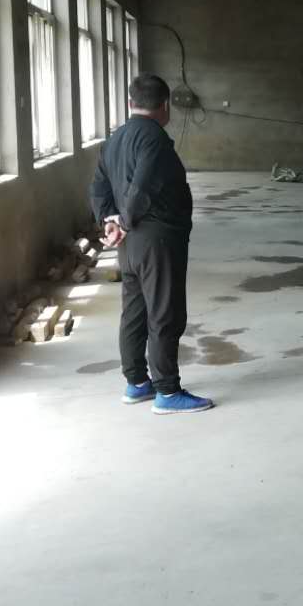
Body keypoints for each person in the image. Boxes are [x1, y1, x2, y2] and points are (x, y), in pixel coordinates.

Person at [89, 73, 213, 415]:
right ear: (165, 105)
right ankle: (168, 392)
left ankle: (136, 383)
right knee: (164, 313)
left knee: (135, 311)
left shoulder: (114, 139)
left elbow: (98, 187)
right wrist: (125, 222)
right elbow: (141, 188)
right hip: (156, 240)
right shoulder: (155, 139)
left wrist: (110, 221)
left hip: (129, 245)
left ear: (130, 103)